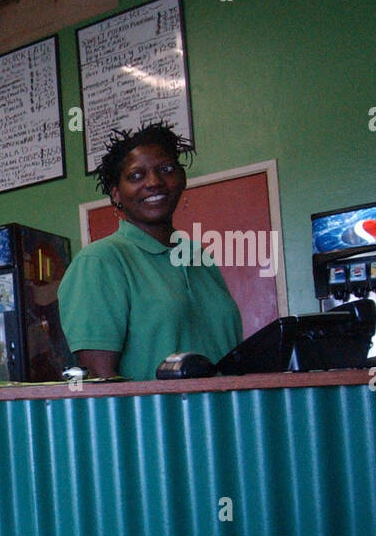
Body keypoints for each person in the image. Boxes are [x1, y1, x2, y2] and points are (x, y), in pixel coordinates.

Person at [58, 123, 242, 380]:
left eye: (166, 170)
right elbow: (101, 382)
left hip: (225, 415)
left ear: (182, 180)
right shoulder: (101, 261)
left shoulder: (199, 258)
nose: (154, 182)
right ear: (116, 194)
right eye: (136, 176)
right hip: (157, 420)